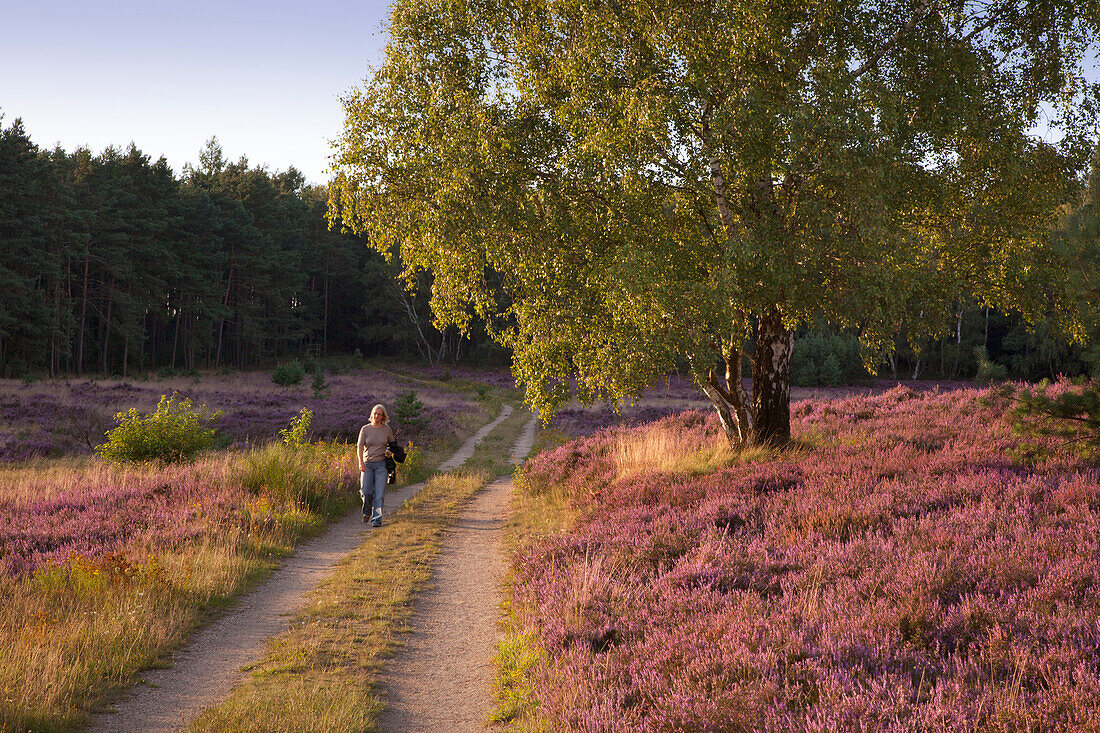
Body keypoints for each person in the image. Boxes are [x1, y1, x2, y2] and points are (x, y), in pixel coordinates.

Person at [357, 403, 395, 527]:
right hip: (367, 464)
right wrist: (360, 463)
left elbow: (392, 445)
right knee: (365, 491)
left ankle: (376, 519)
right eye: (375, 413)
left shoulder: (386, 429)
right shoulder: (365, 429)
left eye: (379, 414)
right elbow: (360, 447)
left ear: (383, 416)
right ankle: (367, 512)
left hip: (381, 465)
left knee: (379, 495)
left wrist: (389, 452)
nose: (376, 416)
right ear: (371, 414)